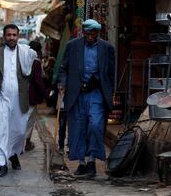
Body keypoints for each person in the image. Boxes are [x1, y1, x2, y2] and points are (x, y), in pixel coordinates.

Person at [57, 19, 115, 177]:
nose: (90, 36)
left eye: (93, 33)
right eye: (88, 33)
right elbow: (64, 68)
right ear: (83, 32)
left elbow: (111, 73)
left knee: (95, 126)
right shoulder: (72, 46)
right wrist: (62, 83)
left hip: (96, 93)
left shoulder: (107, 48)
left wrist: (111, 93)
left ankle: (92, 161)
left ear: (98, 33)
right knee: (78, 128)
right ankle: (82, 163)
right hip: (77, 93)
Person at [0, 24, 36, 177]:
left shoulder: (24, 53)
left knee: (20, 131)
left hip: (19, 99)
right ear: (4, 36)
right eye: (9, 35)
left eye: (14, 35)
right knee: (1, 129)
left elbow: (31, 71)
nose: (12, 38)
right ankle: (2, 163)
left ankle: (13, 154)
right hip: (2, 98)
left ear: (18, 36)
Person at [24, 40, 47, 152]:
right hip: (31, 95)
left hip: (20, 94)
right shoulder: (36, 62)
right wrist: (46, 95)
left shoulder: (23, 59)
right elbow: (38, 80)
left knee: (23, 118)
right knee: (29, 120)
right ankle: (26, 143)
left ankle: (23, 143)